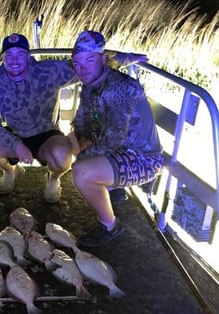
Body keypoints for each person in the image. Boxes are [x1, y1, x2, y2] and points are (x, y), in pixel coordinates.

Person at [0, 33, 146, 203]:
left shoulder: (48, 72)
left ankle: (53, 178)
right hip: (14, 134)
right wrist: (17, 145)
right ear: (2, 58)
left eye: (20, 54)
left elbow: (90, 63)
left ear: (28, 56)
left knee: (62, 156)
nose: (14, 60)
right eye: (9, 55)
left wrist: (129, 57)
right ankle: (10, 171)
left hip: (47, 134)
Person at [68, 30, 164, 247]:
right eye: (77, 63)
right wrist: (82, 139)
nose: (81, 69)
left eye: (89, 61)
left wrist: (84, 155)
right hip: (116, 149)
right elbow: (81, 119)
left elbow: (112, 140)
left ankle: (110, 225)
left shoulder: (121, 87)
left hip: (142, 158)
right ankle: (112, 188)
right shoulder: (94, 79)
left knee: (81, 171)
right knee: (68, 143)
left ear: (103, 59)